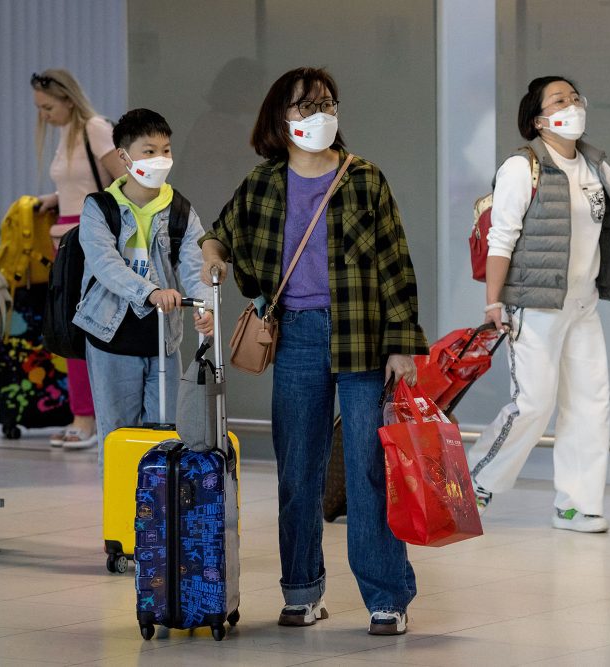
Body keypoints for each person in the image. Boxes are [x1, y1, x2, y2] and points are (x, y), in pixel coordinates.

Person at [200, 67, 428, 636]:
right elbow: (219, 233)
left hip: (363, 334)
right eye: (304, 107)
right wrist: (212, 256)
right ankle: (301, 591)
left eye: (326, 103)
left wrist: (402, 346)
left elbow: (396, 266)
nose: (317, 114)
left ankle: (386, 596)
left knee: (367, 470)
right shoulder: (265, 183)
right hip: (297, 335)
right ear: (280, 119)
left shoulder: (365, 179)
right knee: (298, 470)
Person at [468, 76, 610, 533]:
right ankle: (476, 481)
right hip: (535, 304)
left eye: (576, 97)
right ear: (538, 120)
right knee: (533, 403)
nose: (574, 105)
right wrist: (494, 304)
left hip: (582, 306)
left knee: (590, 403)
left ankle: (576, 504)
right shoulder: (521, 167)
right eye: (560, 100)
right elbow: (500, 239)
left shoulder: (593, 164)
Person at [73, 108, 213, 471]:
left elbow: (195, 263)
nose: (160, 159)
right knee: (118, 436)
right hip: (110, 336)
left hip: (162, 340)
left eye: (165, 150)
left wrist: (205, 306)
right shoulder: (99, 207)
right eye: (149, 151)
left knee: (165, 436)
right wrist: (149, 291)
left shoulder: (179, 208)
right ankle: (120, 523)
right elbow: (106, 265)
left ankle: (158, 520)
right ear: (124, 156)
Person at [31, 68, 127, 449]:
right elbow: (77, 186)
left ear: (69, 99)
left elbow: (123, 180)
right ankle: (83, 415)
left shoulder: (94, 129)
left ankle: (89, 418)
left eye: (49, 106)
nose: (44, 114)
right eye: (40, 108)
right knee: (70, 327)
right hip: (66, 241)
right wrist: (51, 201)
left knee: (84, 326)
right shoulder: (64, 134)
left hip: (88, 240)